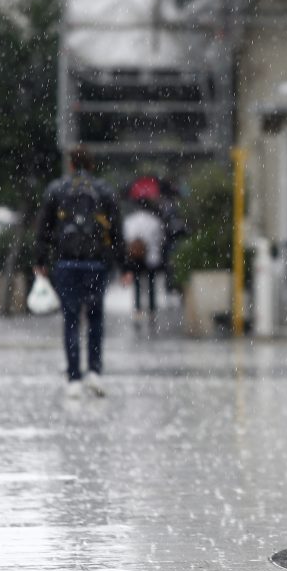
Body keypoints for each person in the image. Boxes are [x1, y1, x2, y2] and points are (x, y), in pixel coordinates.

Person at [34, 147, 124, 398]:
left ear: (71, 165)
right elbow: (116, 230)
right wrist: (124, 265)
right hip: (96, 264)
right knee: (95, 318)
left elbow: (44, 228)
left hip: (67, 263)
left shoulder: (57, 190)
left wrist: (40, 260)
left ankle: (74, 377)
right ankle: (94, 372)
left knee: (71, 320)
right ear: (92, 165)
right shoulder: (104, 191)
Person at [122, 198, 166, 321]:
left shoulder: (130, 220)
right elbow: (160, 238)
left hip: (135, 257)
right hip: (151, 257)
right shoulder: (154, 221)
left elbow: (126, 237)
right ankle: (152, 309)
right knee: (151, 284)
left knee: (137, 284)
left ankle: (138, 309)